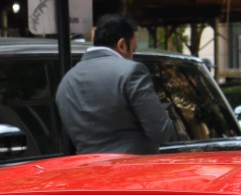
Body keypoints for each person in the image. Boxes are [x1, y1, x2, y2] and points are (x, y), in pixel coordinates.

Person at [55, 13, 175, 156]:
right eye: (133, 49)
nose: (133, 55)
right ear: (122, 45)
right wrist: (163, 115)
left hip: (87, 171)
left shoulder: (66, 81)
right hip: (131, 169)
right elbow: (161, 132)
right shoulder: (131, 72)